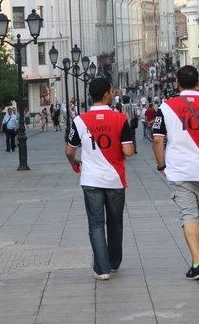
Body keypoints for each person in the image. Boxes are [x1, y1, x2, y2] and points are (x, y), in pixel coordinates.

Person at [152, 65, 199, 280]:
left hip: (179, 171)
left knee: (189, 216)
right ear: (198, 82)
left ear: (177, 82)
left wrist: (161, 166)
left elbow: (158, 139)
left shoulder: (166, 107)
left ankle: (198, 262)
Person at [65, 78, 134, 280]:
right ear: (106, 94)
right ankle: (114, 262)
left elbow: (69, 151)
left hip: (91, 180)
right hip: (115, 179)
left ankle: (101, 269)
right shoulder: (120, 119)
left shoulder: (79, 120)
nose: (113, 94)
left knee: (95, 224)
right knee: (115, 222)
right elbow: (128, 150)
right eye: (112, 91)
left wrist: (74, 162)